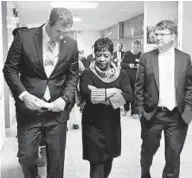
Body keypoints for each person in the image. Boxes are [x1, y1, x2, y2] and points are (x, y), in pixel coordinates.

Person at [3, 8, 79, 178]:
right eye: (58, 31)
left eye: (65, 33)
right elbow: (9, 70)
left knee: (56, 163)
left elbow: (73, 76)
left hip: (57, 112)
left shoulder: (71, 45)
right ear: (49, 23)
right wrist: (23, 95)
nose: (61, 37)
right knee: (27, 158)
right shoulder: (24, 38)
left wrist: (66, 99)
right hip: (30, 110)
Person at [134, 20, 192, 178]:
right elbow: (139, 87)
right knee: (148, 151)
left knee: (173, 156)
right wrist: (140, 111)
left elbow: (189, 86)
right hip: (153, 115)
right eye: (156, 33)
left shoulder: (184, 58)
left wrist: (188, 110)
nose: (157, 37)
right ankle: (145, 173)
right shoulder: (147, 58)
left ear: (172, 36)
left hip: (177, 116)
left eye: (161, 34)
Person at [80, 38, 133, 178]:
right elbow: (87, 95)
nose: (101, 59)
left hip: (111, 124)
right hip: (92, 125)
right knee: (96, 163)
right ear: (94, 54)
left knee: (108, 161)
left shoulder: (121, 74)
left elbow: (128, 95)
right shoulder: (87, 73)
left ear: (112, 55)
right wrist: (112, 91)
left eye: (106, 55)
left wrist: (100, 96)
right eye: (98, 55)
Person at [121, 40, 141, 117]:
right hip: (127, 77)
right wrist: (129, 65)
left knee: (135, 95)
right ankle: (126, 109)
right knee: (126, 94)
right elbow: (121, 64)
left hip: (136, 78)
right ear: (132, 46)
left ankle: (134, 112)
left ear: (139, 47)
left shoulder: (141, 55)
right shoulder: (127, 53)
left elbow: (144, 66)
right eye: (134, 47)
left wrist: (140, 66)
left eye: (137, 47)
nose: (135, 49)